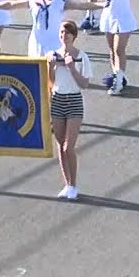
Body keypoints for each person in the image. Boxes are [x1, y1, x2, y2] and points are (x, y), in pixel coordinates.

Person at [48, 20, 92, 200]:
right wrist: (51, 66)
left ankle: (74, 185)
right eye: (61, 32)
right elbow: (50, 83)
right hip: (58, 100)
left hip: (74, 100)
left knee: (69, 147)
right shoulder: (52, 54)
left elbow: (84, 83)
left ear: (74, 36)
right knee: (60, 145)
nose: (64, 36)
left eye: (67, 33)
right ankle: (66, 184)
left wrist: (72, 67)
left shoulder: (82, 56)